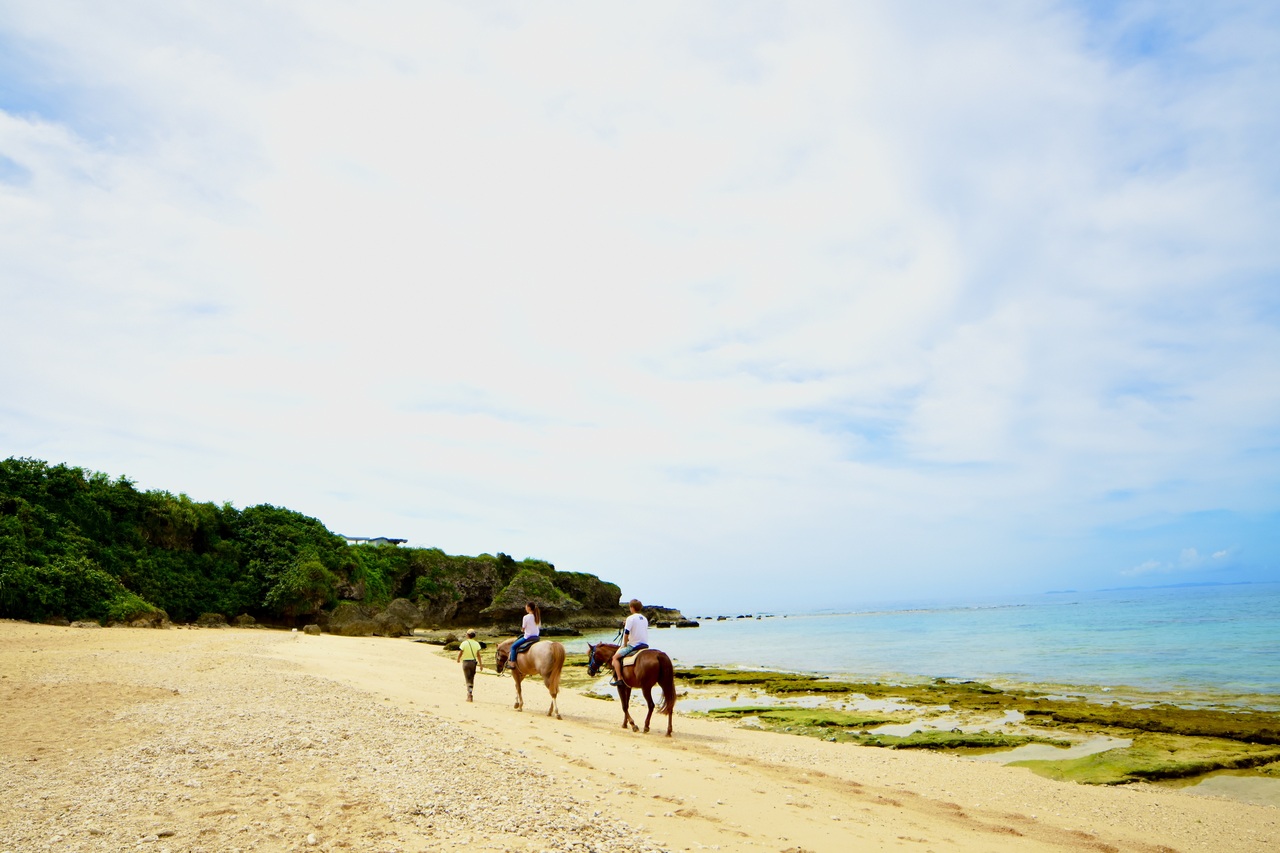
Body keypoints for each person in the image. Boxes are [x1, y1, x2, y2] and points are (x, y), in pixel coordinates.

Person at [610, 599, 649, 686]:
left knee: (615, 658)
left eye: (630, 607)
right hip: (645, 645)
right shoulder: (644, 618)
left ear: (632, 607)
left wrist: (624, 644)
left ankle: (619, 679)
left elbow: (626, 633)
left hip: (633, 645)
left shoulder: (630, 618)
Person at [508, 602, 541, 667]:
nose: (525, 608)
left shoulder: (526, 617)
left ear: (529, 608)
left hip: (528, 637)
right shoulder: (537, 617)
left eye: (526, 607)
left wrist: (522, 630)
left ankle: (512, 663)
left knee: (513, 647)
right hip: (536, 637)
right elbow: (538, 627)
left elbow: (523, 628)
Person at [456, 630, 484, 702]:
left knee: (467, 678)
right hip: (473, 663)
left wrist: (458, 659)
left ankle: (469, 694)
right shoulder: (476, 644)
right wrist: (481, 665)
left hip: (466, 662)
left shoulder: (464, 643)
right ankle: (470, 692)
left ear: (468, 635)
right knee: (471, 678)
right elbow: (478, 655)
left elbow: (461, 652)